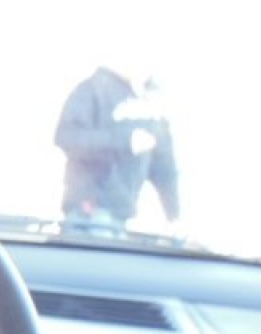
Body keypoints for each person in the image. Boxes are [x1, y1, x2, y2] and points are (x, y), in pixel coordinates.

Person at [55, 63, 180, 233]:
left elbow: (165, 169)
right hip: (88, 214)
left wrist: (174, 216)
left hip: (122, 218)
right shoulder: (92, 90)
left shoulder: (154, 103)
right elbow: (67, 137)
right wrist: (125, 142)